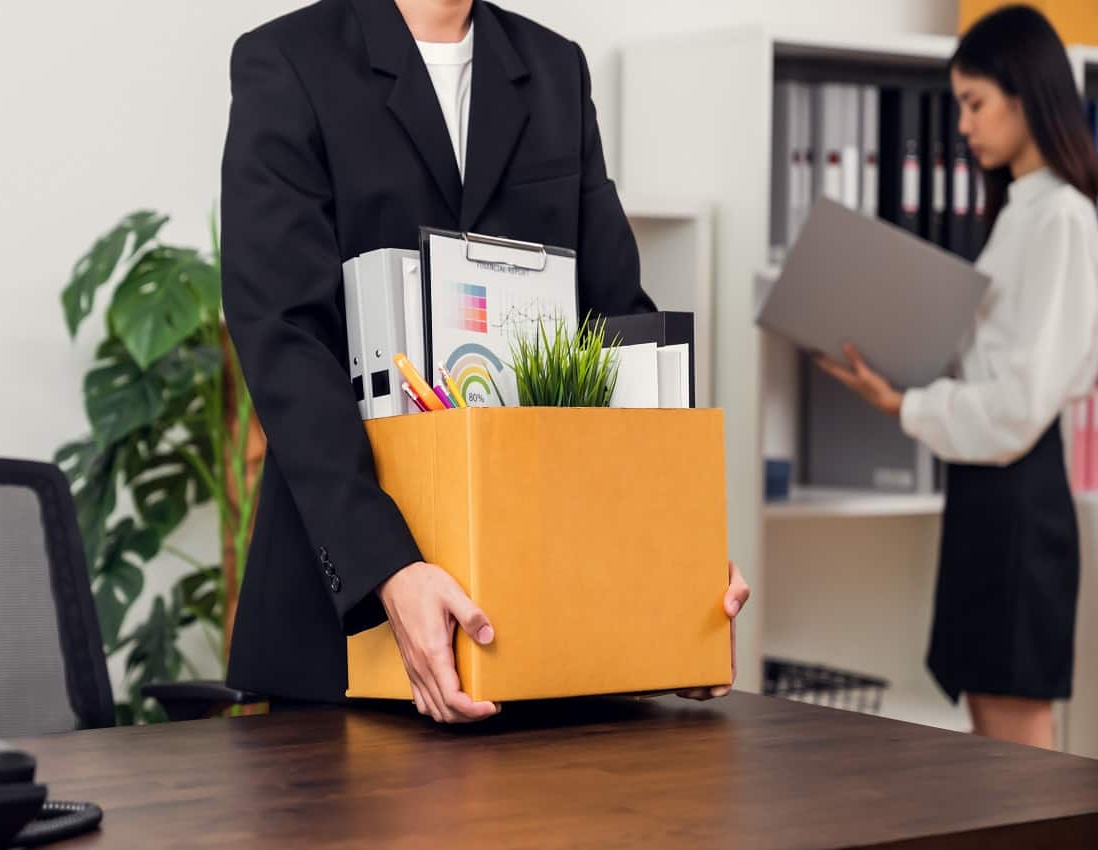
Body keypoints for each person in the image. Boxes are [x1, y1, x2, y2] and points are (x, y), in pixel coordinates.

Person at [220, 0, 750, 723]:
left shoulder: (554, 67)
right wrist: (390, 569)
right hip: (346, 635)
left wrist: (670, 554)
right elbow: (286, 338)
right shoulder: (287, 60)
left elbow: (616, 318)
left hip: (542, 615)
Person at [818, 4, 1098, 749]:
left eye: (974, 103)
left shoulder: (1063, 218)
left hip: (1018, 494)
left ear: (1024, 93)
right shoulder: (1018, 212)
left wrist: (906, 404)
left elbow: (1021, 404)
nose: (964, 126)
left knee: (1018, 757)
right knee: (991, 737)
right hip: (984, 491)